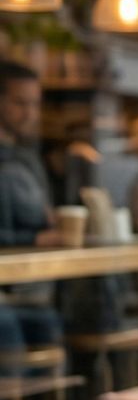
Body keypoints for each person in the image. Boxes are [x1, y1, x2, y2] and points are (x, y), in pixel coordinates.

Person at [0, 61, 64, 371]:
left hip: (35, 292)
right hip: (6, 297)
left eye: (35, 104)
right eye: (20, 103)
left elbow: (44, 216)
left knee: (54, 362)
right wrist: (36, 238)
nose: (31, 113)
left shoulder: (28, 159)